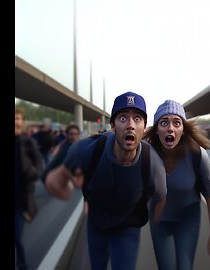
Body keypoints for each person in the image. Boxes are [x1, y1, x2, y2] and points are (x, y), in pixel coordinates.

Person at [45, 91, 167, 270]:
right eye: (123, 118)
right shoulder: (87, 150)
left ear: (145, 127)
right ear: (112, 125)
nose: (130, 125)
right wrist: (74, 188)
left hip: (128, 227)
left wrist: (157, 224)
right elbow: (53, 180)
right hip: (97, 224)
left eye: (137, 119)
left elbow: (161, 197)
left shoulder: (152, 163)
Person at [143, 100, 210, 270]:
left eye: (176, 123)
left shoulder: (197, 155)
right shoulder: (146, 154)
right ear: (156, 130)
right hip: (160, 221)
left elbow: (209, 196)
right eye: (164, 123)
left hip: (188, 220)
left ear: (183, 129)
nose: (170, 128)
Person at [15, 108, 43, 270]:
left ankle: (22, 265)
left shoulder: (28, 142)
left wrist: (32, 174)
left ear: (22, 122)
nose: (15, 122)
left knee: (17, 237)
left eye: (18, 118)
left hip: (20, 198)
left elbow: (38, 165)